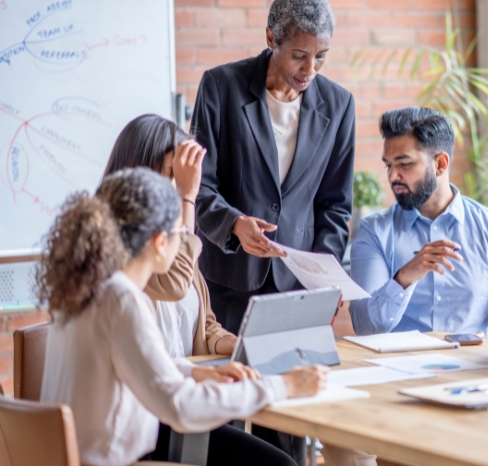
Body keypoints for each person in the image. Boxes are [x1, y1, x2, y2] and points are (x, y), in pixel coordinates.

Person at [39, 168, 328, 466]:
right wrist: (284, 386)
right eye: (181, 233)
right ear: (160, 242)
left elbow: (136, 363)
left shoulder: (88, 289)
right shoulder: (122, 300)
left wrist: (194, 372)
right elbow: (180, 407)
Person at [192, 0, 353, 462]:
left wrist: (323, 273)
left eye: (321, 58)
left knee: (286, 434)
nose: (310, 70)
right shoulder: (220, 87)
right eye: (300, 55)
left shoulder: (338, 104)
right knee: (220, 424)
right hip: (229, 284)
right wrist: (235, 224)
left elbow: (336, 206)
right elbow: (198, 187)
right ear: (271, 39)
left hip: (294, 292)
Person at [348, 107, 488, 336]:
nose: (392, 177)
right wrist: (405, 277)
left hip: (472, 369)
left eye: (404, 164)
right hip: (401, 370)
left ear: (440, 164)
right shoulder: (374, 232)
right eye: (389, 165)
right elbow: (365, 328)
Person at [104, 114, 236, 359]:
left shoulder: (170, 232)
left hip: (182, 380)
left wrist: (227, 342)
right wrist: (188, 197)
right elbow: (174, 286)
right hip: (150, 391)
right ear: (141, 171)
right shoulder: (113, 243)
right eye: (172, 173)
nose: (178, 185)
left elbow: (204, 323)